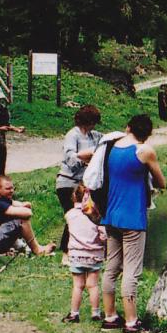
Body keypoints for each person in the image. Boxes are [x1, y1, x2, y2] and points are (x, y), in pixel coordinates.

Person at [100, 115, 166, 333]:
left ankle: (109, 316)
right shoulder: (145, 151)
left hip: (111, 214)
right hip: (133, 218)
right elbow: (161, 182)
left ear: (127, 127)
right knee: (131, 270)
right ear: (148, 134)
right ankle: (131, 321)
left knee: (111, 267)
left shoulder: (113, 148)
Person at [55, 105, 102, 254]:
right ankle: (66, 249)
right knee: (74, 215)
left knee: (85, 214)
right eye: (92, 122)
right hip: (68, 182)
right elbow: (71, 159)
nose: (93, 125)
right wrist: (85, 160)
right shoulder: (72, 135)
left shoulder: (94, 135)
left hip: (83, 184)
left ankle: (80, 246)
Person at [63, 183, 107, 323]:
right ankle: (96, 313)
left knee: (78, 285)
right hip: (95, 255)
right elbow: (103, 235)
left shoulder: (69, 215)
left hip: (76, 255)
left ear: (73, 197)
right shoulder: (95, 215)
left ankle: (74, 314)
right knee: (93, 285)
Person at [0, 174, 54, 256]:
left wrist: (24, 206)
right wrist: (23, 209)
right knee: (21, 220)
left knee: (16, 218)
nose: (12, 191)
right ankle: (37, 249)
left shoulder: (1, 199)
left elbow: (25, 204)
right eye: (8, 189)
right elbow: (28, 213)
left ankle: (23, 246)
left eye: (12, 188)